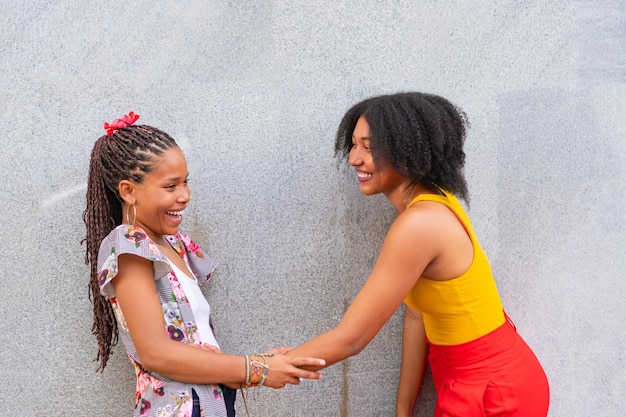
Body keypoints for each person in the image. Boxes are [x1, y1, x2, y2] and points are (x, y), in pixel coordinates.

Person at [286, 92, 550, 416]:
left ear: (407, 151)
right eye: (353, 144)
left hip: (490, 390)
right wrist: (403, 408)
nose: (355, 158)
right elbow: (416, 315)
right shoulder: (430, 204)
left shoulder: (418, 224)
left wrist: (263, 368)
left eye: (369, 147)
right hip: (481, 376)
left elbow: (352, 337)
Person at [83, 112, 325, 417]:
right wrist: (257, 368)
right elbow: (156, 354)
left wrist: (264, 362)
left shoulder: (174, 243)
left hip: (212, 403)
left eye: (185, 183)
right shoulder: (129, 246)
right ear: (129, 191)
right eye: (170, 187)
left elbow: (195, 342)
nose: (184, 196)